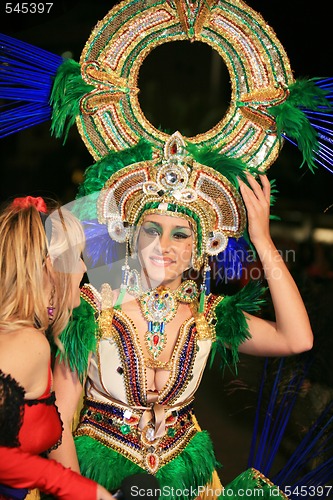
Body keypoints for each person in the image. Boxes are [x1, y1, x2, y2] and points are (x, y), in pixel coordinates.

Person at [48, 133, 313, 500]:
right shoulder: (92, 309)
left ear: (200, 246)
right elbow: (57, 421)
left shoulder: (209, 316)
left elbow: (297, 339)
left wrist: (263, 239)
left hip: (185, 480)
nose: (164, 246)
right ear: (132, 237)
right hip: (99, 480)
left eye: (180, 234)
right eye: (151, 230)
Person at [0, 196, 115, 500]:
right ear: (51, 267)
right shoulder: (27, 343)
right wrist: (65, 484)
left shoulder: (30, 335)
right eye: (78, 257)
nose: (83, 269)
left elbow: (51, 430)